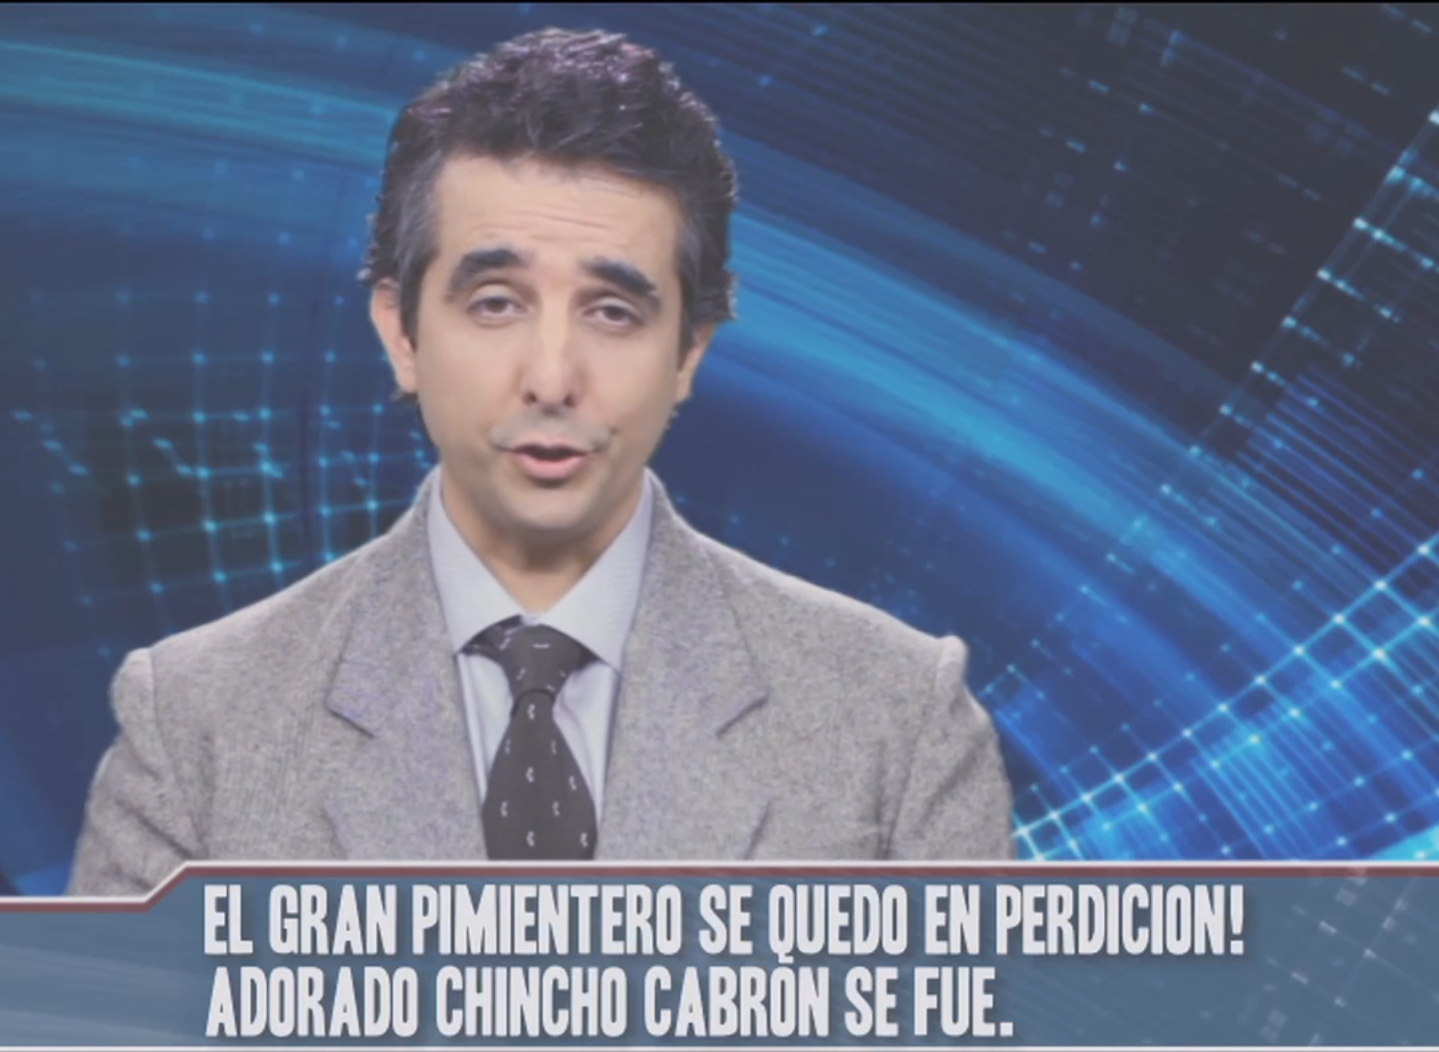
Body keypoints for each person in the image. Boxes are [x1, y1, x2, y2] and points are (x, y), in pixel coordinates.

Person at [67, 29, 1014, 895]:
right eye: (496, 303)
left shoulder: (897, 720)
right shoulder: (196, 725)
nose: (553, 378)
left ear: (690, 349)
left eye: (613, 312)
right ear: (401, 330)